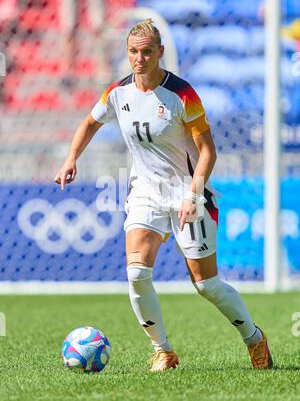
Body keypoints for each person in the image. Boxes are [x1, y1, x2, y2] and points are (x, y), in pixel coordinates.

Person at [54, 19, 273, 372]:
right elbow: (90, 123)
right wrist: (70, 159)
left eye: (146, 52)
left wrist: (194, 193)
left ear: (160, 53)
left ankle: (253, 338)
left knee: (206, 285)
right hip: (144, 192)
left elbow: (207, 152)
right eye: (133, 52)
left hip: (188, 192)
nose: (138, 59)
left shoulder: (182, 95)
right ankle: (163, 352)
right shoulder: (117, 94)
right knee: (137, 273)